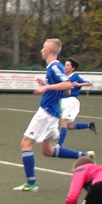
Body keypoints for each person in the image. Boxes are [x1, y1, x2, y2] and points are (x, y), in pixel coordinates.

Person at [14, 38, 95, 192]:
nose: (41, 50)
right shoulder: (55, 67)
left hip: (46, 111)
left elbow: (67, 85)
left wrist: (46, 88)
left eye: (44, 47)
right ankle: (85, 156)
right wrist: (46, 84)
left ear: (50, 50)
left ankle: (31, 183)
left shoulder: (54, 66)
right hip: (53, 112)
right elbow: (67, 91)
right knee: (48, 150)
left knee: (25, 144)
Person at [58, 58, 97, 147]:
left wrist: (79, 84)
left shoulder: (76, 76)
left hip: (71, 101)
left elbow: (90, 83)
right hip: (63, 102)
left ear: (73, 68)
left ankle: (59, 146)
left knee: (63, 121)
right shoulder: (63, 77)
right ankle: (89, 125)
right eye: (65, 65)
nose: (65, 67)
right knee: (70, 126)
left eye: (68, 65)